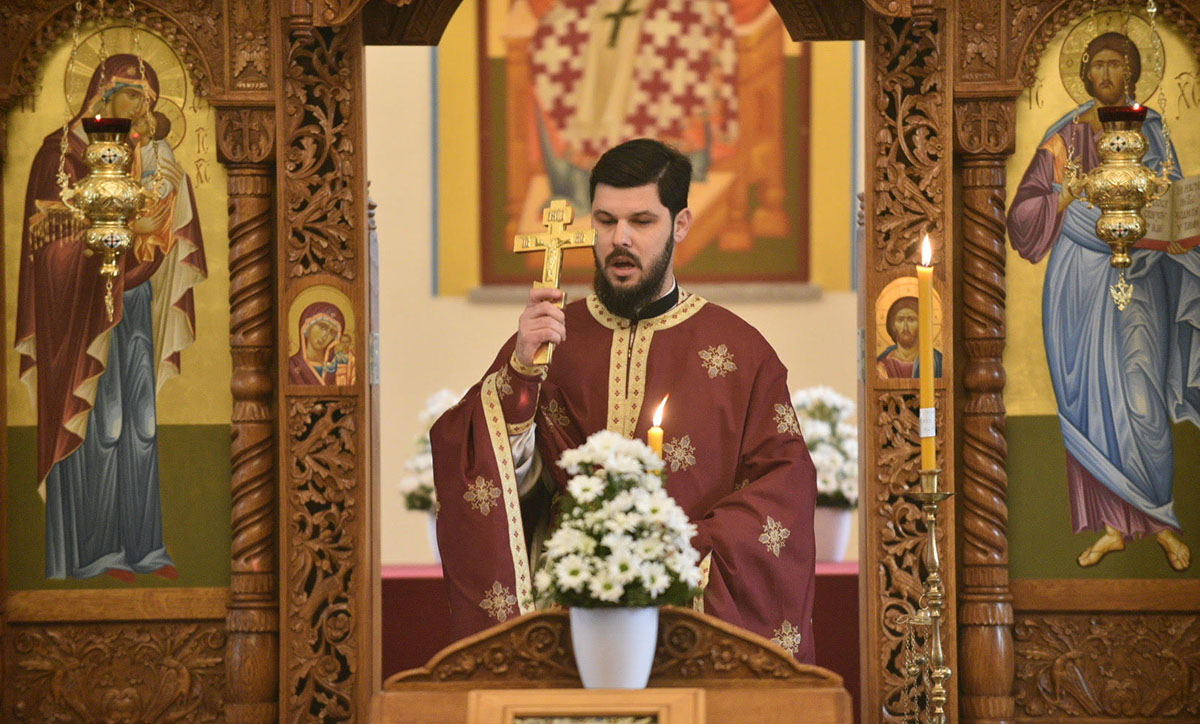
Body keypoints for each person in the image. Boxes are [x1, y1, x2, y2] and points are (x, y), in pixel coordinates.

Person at [431, 138, 817, 661]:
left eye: (642, 221)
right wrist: (519, 379)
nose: (620, 239)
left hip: (696, 627)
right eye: (606, 220)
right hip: (569, 625)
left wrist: (684, 547)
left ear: (680, 224)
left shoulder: (740, 354)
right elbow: (496, 480)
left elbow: (784, 488)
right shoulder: (551, 342)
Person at [1007, 32, 1200, 571]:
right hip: (1077, 281)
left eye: (1116, 64)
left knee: (1142, 397)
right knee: (1086, 402)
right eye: (1097, 66)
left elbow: (1173, 199)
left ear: (1133, 71)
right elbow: (1022, 215)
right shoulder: (1065, 137)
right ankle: (1113, 527)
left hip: (1141, 276)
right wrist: (1066, 193)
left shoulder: (1151, 129)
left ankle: (1161, 521)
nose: (1106, 74)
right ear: (1085, 73)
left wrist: (1176, 232)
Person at [15, 54, 207, 580]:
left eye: (149, 100)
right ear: (103, 94)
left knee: (141, 420)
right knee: (105, 419)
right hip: (78, 313)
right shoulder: (59, 155)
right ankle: (94, 553)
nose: (143, 110)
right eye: (135, 96)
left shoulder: (143, 154)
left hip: (135, 300)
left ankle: (143, 547)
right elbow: (45, 247)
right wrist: (109, 232)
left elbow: (164, 221)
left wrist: (165, 209)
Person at [288, 301, 355, 385]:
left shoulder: (342, 367)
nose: (325, 336)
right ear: (307, 326)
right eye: (322, 327)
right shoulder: (290, 366)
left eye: (332, 332)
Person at [876, 296, 942, 379]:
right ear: (893, 325)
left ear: (921, 324)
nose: (905, 327)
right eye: (900, 320)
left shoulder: (936, 362)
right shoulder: (882, 366)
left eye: (911, 320)